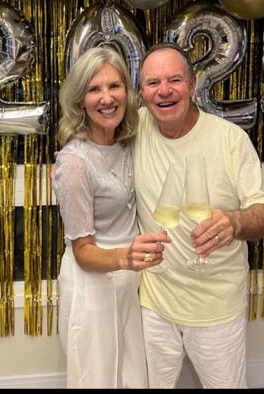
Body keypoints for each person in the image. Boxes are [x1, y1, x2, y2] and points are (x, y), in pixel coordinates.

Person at [133, 43, 264, 389]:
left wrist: (236, 222)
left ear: (193, 84)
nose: (164, 91)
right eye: (153, 83)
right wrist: (71, 158)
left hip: (217, 308)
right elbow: (92, 125)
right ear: (142, 92)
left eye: (174, 80)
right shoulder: (135, 127)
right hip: (154, 303)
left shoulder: (230, 139)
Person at [51, 46, 168, 389]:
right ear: (80, 100)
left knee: (133, 378)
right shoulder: (74, 162)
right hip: (93, 286)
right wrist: (124, 257)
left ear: (127, 93)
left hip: (131, 282)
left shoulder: (131, 142)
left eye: (114, 86)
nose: (106, 98)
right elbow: (83, 252)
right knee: (96, 380)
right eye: (94, 89)